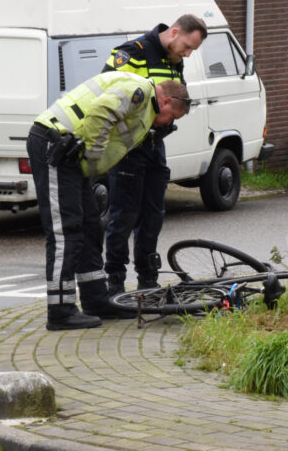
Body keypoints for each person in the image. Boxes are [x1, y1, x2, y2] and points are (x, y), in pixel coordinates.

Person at [27, 70, 191, 331]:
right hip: (56, 145)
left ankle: (95, 300)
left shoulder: (144, 107)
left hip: (71, 152)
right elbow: (101, 110)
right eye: (171, 117)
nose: (166, 124)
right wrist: (92, 159)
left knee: (91, 226)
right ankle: (60, 311)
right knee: (65, 231)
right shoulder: (138, 92)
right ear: (167, 101)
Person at [102, 14, 207, 295]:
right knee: (124, 215)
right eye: (187, 46)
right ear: (174, 33)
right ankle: (114, 279)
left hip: (155, 145)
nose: (187, 53)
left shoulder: (175, 60)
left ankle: (147, 277)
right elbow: (107, 93)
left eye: (191, 51)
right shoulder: (132, 53)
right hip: (128, 146)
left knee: (153, 214)